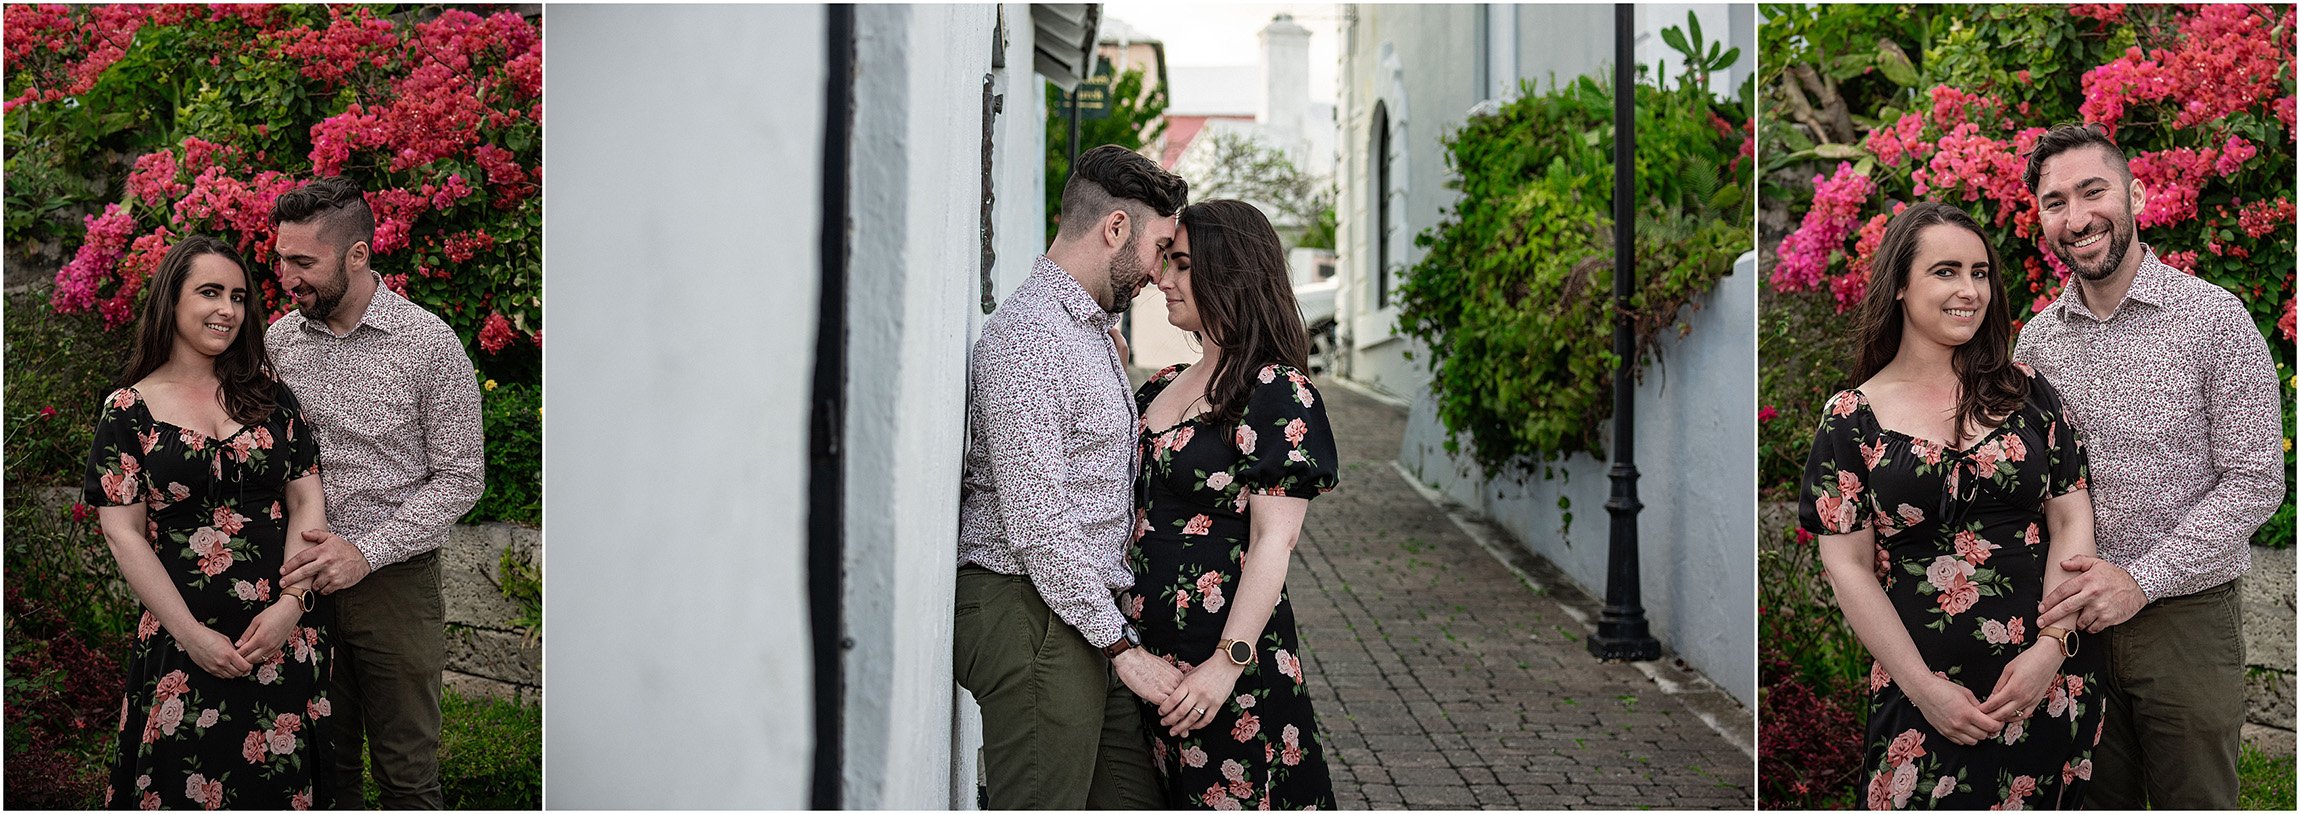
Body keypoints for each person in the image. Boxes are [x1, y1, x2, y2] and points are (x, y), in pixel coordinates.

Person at [2012, 124, 2285, 809]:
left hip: (2185, 620)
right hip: (2073, 626)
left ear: (2135, 195)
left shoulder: (2213, 319)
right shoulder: (2036, 341)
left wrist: (2141, 579)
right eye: (2055, 202)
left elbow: (2257, 479)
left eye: (2092, 191)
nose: (2076, 218)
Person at [1799, 202, 2104, 810]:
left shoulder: (2027, 392)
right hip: (1922, 699)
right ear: (1901, 288)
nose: (1970, 290)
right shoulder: (1851, 421)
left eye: (1980, 272)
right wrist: (1925, 690)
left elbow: (2071, 518)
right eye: (1945, 272)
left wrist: (2052, 648)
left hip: (2048, 687)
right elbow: (1848, 568)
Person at [954, 144, 1189, 808]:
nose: (1161, 270)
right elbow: (1038, 527)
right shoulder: (1028, 338)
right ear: (1115, 229)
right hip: (1028, 609)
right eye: (1160, 248)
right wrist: (1122, 648)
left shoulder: (1087, 331)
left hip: (1080, 614)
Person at [85, 236, 332, 810]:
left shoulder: (271, 397)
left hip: (280, 636)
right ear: (172, 300)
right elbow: (123, 532)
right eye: (210, 292)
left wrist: (290, 607)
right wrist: (192, 636)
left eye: (239, 297)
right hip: (182, 641)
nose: (228, 308)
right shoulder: (127, 410)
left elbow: (306, 502)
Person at [264, 176, 486, 809]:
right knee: (320, 769)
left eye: (304, 262)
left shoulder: (429, 344)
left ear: (357, 255)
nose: (287, 275)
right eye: (282, 258)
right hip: (299, 583)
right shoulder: (277, 345)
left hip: (394, 584)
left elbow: (463, 473)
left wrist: (365, 550)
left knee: (407, 773)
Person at [1126, 199, 1338, 809]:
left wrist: (1227, 664)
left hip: (1228, 679)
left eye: (1182, 264)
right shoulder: (1165, 382)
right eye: (1166, 261)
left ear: (1231, 273)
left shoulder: (1274, 392)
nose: (1163, 280)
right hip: (1151, 668)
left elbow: (1277, 540)